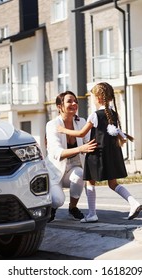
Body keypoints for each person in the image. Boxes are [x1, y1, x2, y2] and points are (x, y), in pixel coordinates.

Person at [57, 82, 142, 223]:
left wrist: (63, 130)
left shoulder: (95, 115)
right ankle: (133, 202)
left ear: (98, 98)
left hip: (97, 154)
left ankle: (92, 214)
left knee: (90, 182)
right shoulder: (113, 114)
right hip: (112, 154)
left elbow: (80, 133)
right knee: (113, 184)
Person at [45, 91, 97, 222]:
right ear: (59, 106)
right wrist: (81, 148)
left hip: (73, 168)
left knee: (80, 174)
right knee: (58, 200)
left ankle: (73, 208)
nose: (74, 103)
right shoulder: (52, 125)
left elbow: (89, 143)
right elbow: (58, 153)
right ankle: (51, 207)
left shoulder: (82, 122)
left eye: (75, 101)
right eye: (69, 101)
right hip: (55, 171)